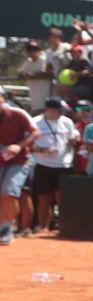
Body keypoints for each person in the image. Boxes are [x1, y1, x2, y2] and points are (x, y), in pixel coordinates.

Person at [24, 98, 79, 236]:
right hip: (44, 165)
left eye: (62, 111)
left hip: (64, 164)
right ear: (49, 110)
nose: (61, 113)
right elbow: (26, 145)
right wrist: (43, 150)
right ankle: (43, 228)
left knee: (64, 200)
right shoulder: (35, 122)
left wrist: (74, 141)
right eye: (59, 110)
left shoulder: (67, 122)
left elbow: (73, 138)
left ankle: (65, 229)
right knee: (44, 200)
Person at [0, 90, 33, 244]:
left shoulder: (18, 113)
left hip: (19, 160)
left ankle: (7, 229)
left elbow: (36, 132)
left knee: (8, 193)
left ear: (3, 99)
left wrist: (19, 146)